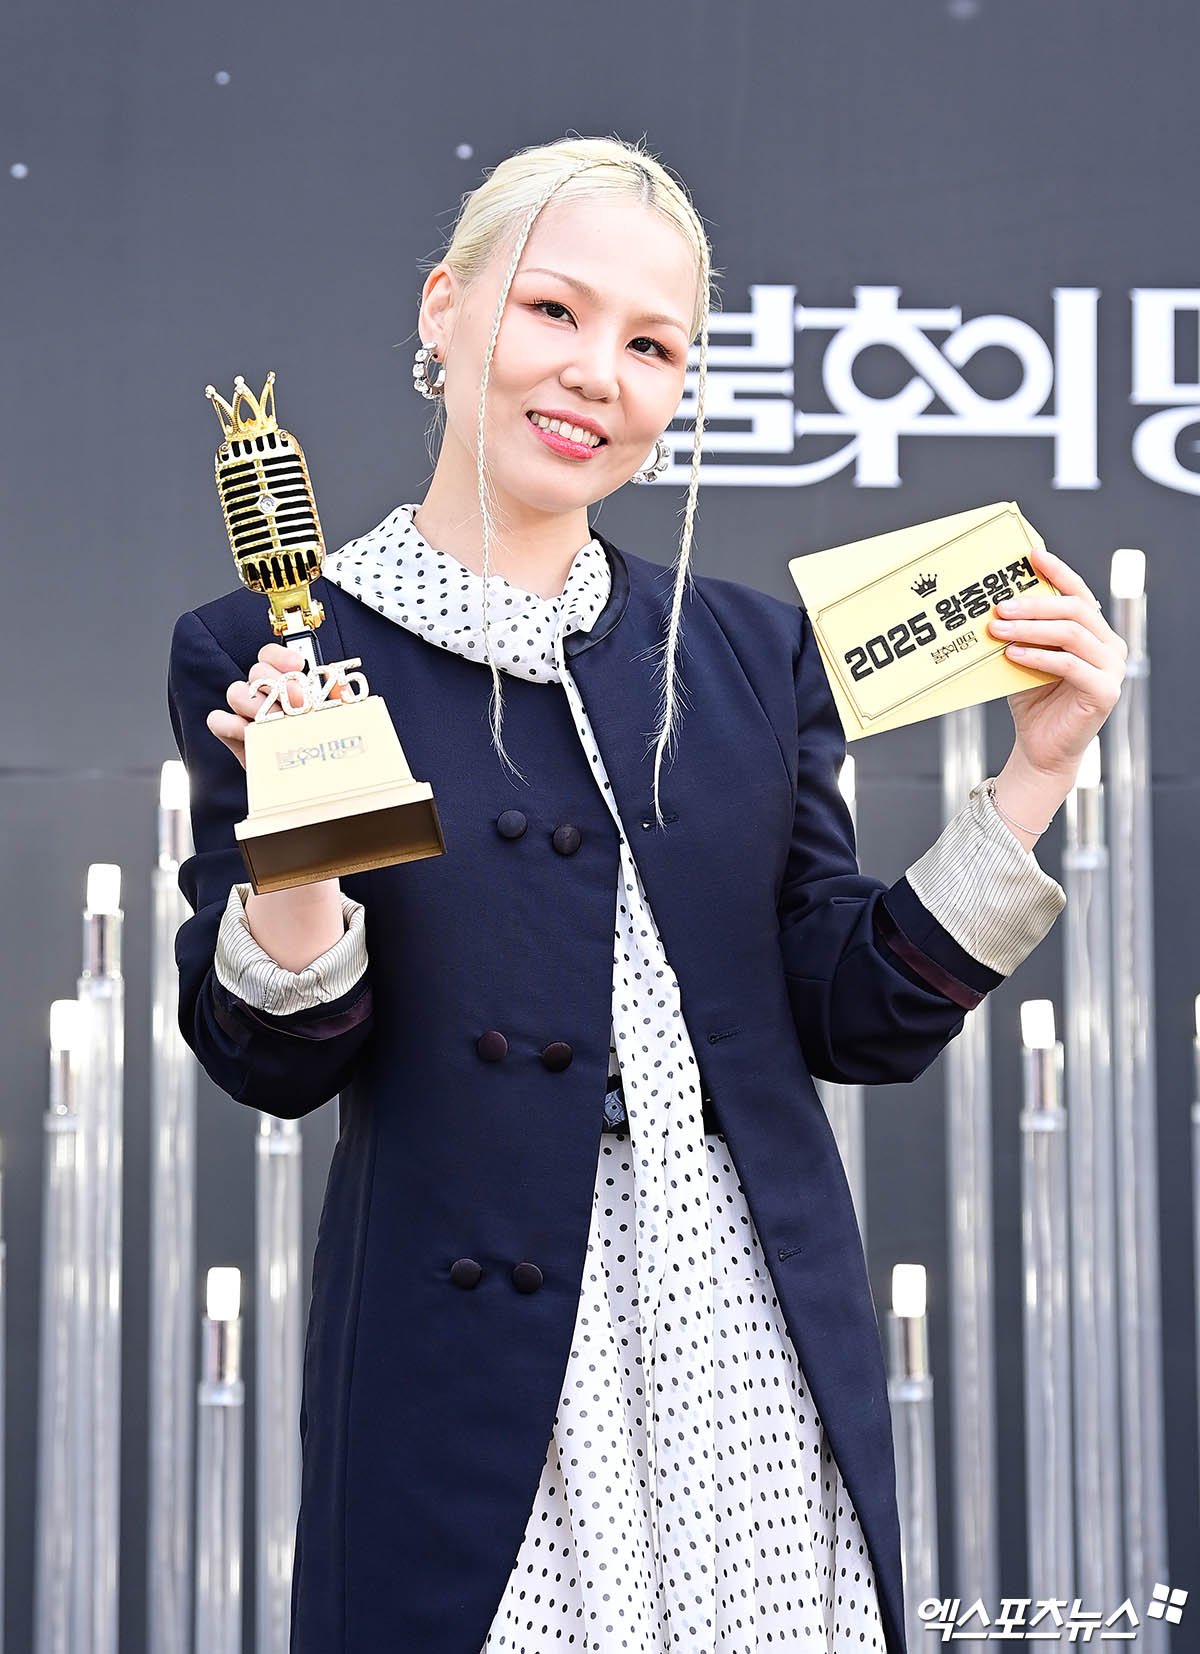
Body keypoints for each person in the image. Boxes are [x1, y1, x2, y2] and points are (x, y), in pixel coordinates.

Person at [167, 135, 1128, 1654]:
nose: (595, 375)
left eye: (652, 344)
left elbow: (853, 1011)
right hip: (472, 1376)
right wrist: (303, 853)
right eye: (553, 310)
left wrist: (1036, 772)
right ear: (444, 309)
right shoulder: (270, 643)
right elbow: (275, 1059)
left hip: (750, 1347)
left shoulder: (749, 650)